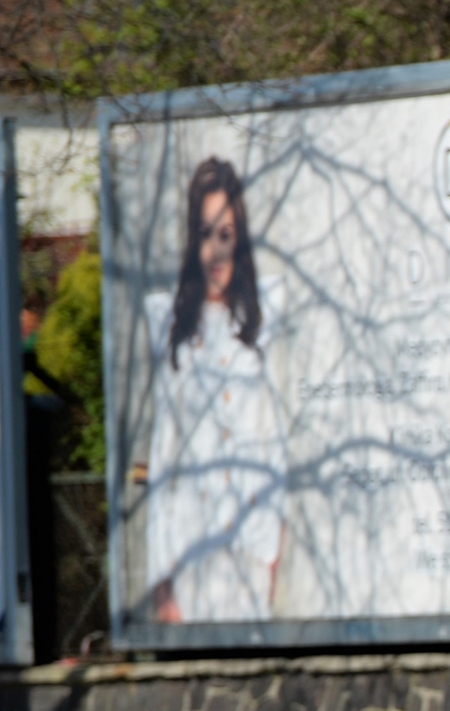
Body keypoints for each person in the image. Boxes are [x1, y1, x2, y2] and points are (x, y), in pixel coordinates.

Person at [137, 156, 286, 624]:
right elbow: (164, 459)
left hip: (245, 558)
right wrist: (163, 585)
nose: (216, 252)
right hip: (189, 558)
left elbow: (273, 448)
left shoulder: (260, 327)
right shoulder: (172, 327)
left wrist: (270, 558)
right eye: (205, 235)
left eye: (226, 235)